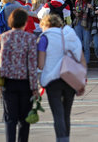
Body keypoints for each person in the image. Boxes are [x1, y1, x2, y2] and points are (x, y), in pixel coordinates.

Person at [0, 8, 38, 142]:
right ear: (25, 22)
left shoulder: (0, 38)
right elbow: (32, 65)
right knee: (24, 119)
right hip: (25, 83)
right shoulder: (31, 39)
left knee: (10, 119)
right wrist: (35, 88)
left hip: (7, 82)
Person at [38, 13, 85, 142]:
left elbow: (41, 65)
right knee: (66, 113)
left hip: (52, 80)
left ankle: (61, 139)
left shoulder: (44, 38)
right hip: (70, 78)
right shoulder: (71, 36)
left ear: (45, 25)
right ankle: (66, 138)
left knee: (58, 114)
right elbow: (81, 59)